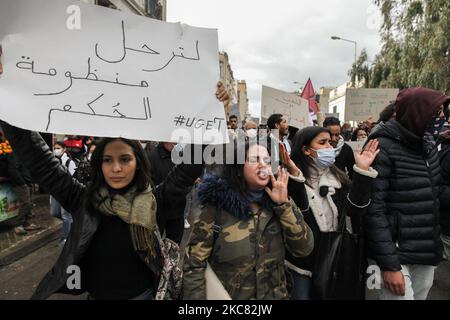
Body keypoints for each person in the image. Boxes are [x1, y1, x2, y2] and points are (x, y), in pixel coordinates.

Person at [0, 55, 229, 299]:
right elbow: (39, 159)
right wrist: (7, 96)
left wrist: (213, 114)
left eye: (125, 159)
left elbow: (188, 168)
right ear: (99, 165)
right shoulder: (81, 199)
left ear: (138, 164)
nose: (116, 168)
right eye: (108, 160)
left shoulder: (156, 201)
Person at [183, 140, 314, 300]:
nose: (262, 165)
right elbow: (194, 264)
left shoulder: (280, 204)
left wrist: (284, 205)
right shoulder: (216, 206)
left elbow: (304, 249)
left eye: (267, 161)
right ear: (238, 168)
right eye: (254, 160)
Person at [365, 87, 449, 300]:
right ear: (417, 112)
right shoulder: (381, 146)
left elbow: (434, 191)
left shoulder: (428, 145)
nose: (441, 116)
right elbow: (374, 210)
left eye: (441, 111)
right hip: (394, 254)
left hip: (424, 251)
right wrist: (389, 265)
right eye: (436, 111)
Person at [284, 127, 379, 300]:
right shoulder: (290, 180)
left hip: (334, 259)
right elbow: (298, 214)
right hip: (302, 263)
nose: (329, 147)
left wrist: (362, 172)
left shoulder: (339, 178)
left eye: (330, 142)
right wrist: (296, 177)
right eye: (322, 142)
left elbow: (355, 210)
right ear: (306, 150)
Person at [147, 141, 187, 244]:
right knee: (155, 244)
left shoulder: (182, 155)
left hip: (177, 208)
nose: (174, 142)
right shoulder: (151, 157)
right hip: (158, 210)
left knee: (175, 244)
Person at [50, 141, 77, 246]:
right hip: (56, 192)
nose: (56, 150)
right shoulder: (52, 160)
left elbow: (73, 179)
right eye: (55, 148)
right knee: (55, 213)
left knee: (66, 216)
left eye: (58, 148)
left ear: (64, 149)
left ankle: (65, 238)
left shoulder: (70, 162)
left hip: (66, 192)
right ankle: (73, 223)